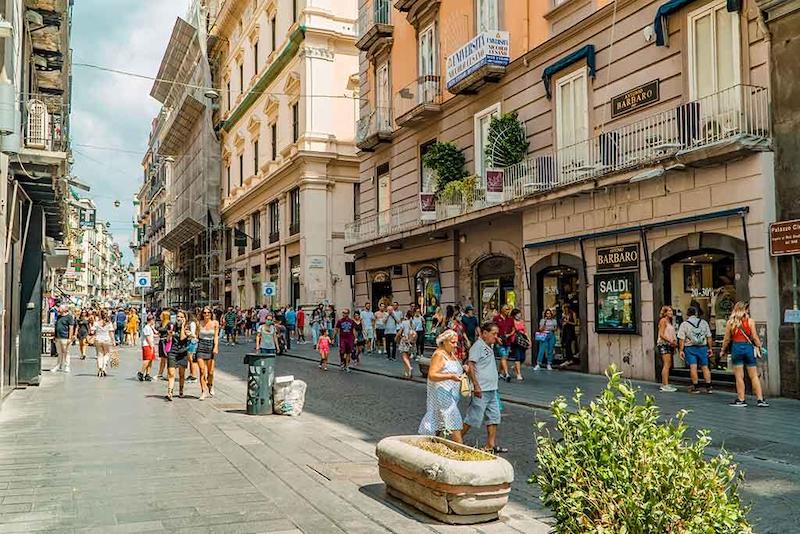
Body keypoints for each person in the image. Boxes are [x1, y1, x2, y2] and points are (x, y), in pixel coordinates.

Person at [463, 322, 508, 453]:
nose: (496, 336)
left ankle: (490, 445)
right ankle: (456, 439)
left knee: (494, 416)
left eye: (496, 334)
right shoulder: (478, 346)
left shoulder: (488, 345)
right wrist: (476, 385)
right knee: (473, 417)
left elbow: (499, 342)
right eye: (493, 333)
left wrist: (497, 340)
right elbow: (471, 365)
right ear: (484, 333)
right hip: (481, 389)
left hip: (492, 389)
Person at [418, 330, 464, 442]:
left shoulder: (450, 353)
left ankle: (428, 444)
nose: (455, 345)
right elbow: (432, 375)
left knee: (439, 421)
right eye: (452, 342)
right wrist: (450, 376)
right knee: (454, 420)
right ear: (444, 342)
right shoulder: (439, 354)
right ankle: (461, 450)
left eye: (456, 342)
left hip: (451, 393)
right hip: (442, 393)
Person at [721, 302, 768, 407]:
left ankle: (741, 399)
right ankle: (760, 400)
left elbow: (727, 339)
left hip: (736, 348)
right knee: (754, 376)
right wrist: (759, 347)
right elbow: (755, 337)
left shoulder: (731, 322)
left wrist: (723, 350)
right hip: (748, 348)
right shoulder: (750, 321)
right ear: (745, 310)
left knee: (739, 376)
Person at [676, 306, 714, 394]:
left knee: (693, 367)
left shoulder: (684, 324)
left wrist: (681, 350)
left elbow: (681, 339)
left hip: (690, 348)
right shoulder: (704, 323)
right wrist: (710, 348)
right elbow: (709, 336)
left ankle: (696, 386)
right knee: (705, 367)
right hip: (703, 347)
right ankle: (709, 386)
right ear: (696, 313)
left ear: (687, 314)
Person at [195, 307, 220, 400]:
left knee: (211, 372)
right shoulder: (199, 323)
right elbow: (197, 336)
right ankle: (203, 391)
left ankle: (210, 384)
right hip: (201, 346)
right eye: (204, 313)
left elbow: (216, 336)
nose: (206, 314)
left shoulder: (215, 323)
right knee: (202, 371)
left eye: (208, 313)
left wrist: (216, 346)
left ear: (211, 313)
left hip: (210, 346)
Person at [165, 311, 189, 401]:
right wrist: (170, 334)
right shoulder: (172, 326)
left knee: (181, 374)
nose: (179, 318)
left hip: (183, 352)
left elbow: (182, 338)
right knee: (171, 373)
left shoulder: (187, 327)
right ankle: (169, 392)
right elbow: (167, 340)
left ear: (185, 318)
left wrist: (182, 326)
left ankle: (181, 391)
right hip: (172, 351)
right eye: (178, 316)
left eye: (181, 317)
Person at [657, 306, 678, 392]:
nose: (671, 312)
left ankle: (666, 383)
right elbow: (661, 334)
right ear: (665, 312)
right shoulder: (663, 321)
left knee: (668, 364)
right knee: (666, 364)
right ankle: (664, 384)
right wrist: (670, 341)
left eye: (671, 311)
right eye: (669, 311)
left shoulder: (669, 321)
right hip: (664, 344)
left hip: (669, 344)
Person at [51, 305, 75, 373]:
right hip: (58, 337)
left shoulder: (69, 317)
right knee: (59, 352)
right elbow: (56, 326)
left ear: (65, 309)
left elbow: (71, 327)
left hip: (65, 337)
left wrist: (69, 338)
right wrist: (55, 336)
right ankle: (58, 365)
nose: (59, 309)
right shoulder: (59, 316)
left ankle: (67, 366)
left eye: (60, 308)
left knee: (66, 352)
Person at [493, 305, 515, 379]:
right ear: (502, 310)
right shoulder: (496, 318)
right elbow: (493, 330)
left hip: (507, 341)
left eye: (508, 309)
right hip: (499, 340)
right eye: (506, 309)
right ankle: (506, 373)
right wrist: (496, 338)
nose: (508, 311)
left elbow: (513, 329)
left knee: (505, 357)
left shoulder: (510, 319)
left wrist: (509, 335)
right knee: (504, 356)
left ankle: (500, 372)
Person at [93, 310, 115, 377]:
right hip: (106, 339)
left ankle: (99, 368)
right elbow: (111, 333)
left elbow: (92, 330)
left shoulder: (96, 323)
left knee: (99, 354)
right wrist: (113, 341)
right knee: (107, 354)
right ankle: (104, 368)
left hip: (98, 339)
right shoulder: (109, 323)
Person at [334, 308, 356, 373]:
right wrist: (333, 338)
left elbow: (353, 330)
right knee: (342, 351)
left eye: (345, 313)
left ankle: (347, 366)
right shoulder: (340, 321)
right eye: (343, 313)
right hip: (342, 338)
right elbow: (336, 329)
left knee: (348, 353)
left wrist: (355, 338)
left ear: (348, 314)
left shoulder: (351, 321)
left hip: (350, 338)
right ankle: (342, 361)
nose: (343, 314)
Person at [558, 304, 579, 369]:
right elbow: (561, 323)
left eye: (566, 308)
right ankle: (567, 359)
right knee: (565, 344)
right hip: (565, 330)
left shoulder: (573, 314)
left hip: (570, 330)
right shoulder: (563, 314)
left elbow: (575, 323)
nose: (565, 309)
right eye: (564, 308)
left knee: (569, 344)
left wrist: (568, 322)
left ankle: (570, 359)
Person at [510, 309, 528, 381]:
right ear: (514, 315)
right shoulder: (512, 322)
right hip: (515, 340)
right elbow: (512, 330)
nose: (519, 315)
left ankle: (515, 367)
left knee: (523, 357)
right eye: (518, 314)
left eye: (520, 314)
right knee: (517, 357)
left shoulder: (522, 322)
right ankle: (518, 374)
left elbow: (525, 331)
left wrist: (528, 340)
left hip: (522, 340)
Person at [397, 311, 416, 378]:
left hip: (405, 340)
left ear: (406, 316)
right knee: (407, 357)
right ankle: (406, 372)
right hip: (411, 341)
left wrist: (397, 337)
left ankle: (410, 368)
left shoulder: (404, 322)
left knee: (404, 356)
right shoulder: (413, 323)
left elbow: (399, 332)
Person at [139, 314, 156, 382]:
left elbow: (152, 335)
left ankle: (147, 374)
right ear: (151, 320)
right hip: (147, 345)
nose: (154, 321)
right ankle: (141, 372)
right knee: (147, 360)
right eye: (153, 320)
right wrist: (151, 346)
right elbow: (148, 338)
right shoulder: (146, 328)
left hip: (150, 345)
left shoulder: (150, 327)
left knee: (150, 360)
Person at [156, 310, 171, 381]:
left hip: (165, 342)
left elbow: (170, 333)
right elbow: (159, 332)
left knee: (167, 358)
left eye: (162, 315)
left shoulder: (169, 324)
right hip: (161, 341)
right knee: (162, 358)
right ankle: (160, 374)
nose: (160, 316)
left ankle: (169, 374)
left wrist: (168, 339)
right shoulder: (162, 323)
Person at [185, 311, 199, 383]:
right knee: (190, 360)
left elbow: (193, 334)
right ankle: (191, 374)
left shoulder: (192, 323)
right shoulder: (190, 323)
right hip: (190, 342)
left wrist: (187, 333)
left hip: (192, 342)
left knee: (192, 360)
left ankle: (194, 376)